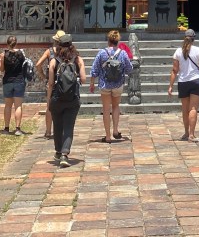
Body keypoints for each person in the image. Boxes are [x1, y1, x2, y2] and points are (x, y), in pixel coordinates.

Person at [46, 32, 86, 168]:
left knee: (57, 125)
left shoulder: (54, 60)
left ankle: (58, 151)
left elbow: (50, 83)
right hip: (72, 98)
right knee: (69, 126)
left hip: (57, 97)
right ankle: (64, 153)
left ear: (59, 45)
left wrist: (49, 99)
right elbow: (84, 79)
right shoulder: (77, 59)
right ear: (71, 45)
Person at [167, 29, 199, 142]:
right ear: (194, 38)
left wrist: (170, 85)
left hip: (183, 81)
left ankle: (186, 133)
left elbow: (174, 70)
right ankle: (192, 135)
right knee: (193, 108)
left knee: (185, 109)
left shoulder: (178, 51)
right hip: (196, 81)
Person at [89, 29, 134, 142]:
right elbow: (129, 69)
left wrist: (92, 83)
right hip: (118, 84)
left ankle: (108, 136)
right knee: (115, 106)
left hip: (105, 84)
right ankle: (115, 130)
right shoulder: (122, 53)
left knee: (106, 109)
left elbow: (94, 70)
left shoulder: (102, 53)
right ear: (118, 41)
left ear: (108, 40)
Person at [35, 30, 65, 138]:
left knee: (49, 107)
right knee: (63, 106)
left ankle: (48, 131)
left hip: (51, 82)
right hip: (64, 82)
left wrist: (43, 75)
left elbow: (38, 64)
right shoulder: (66, 52)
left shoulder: (50, 51)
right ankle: (61, 131)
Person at [0, 34, 27, 135]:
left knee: (8, 106)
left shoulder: (3, 55)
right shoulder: (21, 54)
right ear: (16, 43)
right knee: (18, 106)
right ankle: (17, 129)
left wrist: (1, 60)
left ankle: (6, 128)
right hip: (19, 80)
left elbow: (1, 70)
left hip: (7, 81)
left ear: (7, 43)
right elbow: (25, 66)